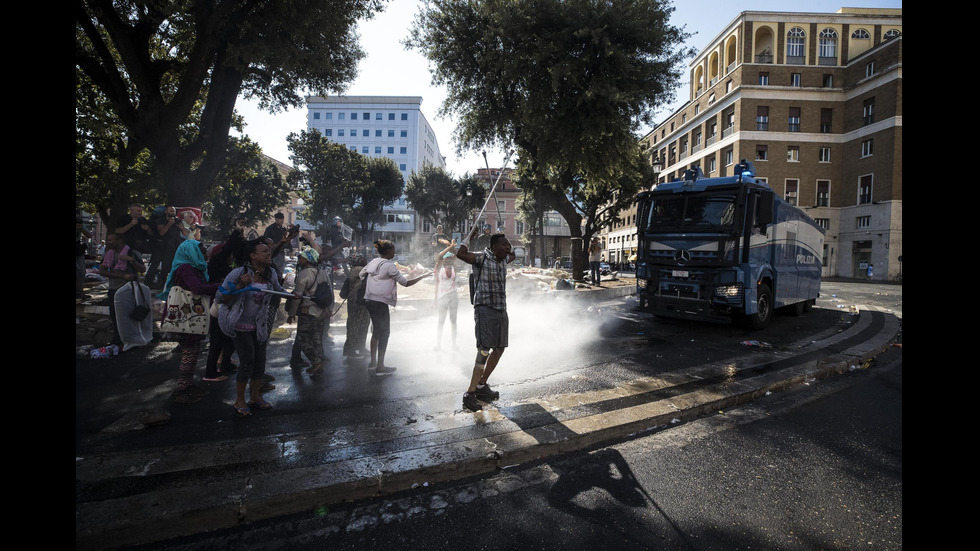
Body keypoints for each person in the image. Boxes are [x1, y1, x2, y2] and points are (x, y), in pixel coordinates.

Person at [217, 239, 294, 417]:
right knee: (248, 361)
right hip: (239, 324)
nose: (269, 254)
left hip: (259, 325)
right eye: (264, 251)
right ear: (252, 255)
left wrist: (292, 296)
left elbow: (278, 289)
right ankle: (240, 400)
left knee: (260, 361)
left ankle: (255, 397)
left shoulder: (271, 273)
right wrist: (240, 285)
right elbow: (221, 297)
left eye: (269, 251)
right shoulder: (238, 273)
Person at [455, 226, 517, 412]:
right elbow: (461, 254)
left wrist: (505, 237)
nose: (507, 248)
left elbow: (513, 254)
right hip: (484, 310)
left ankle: (482, 385)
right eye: (504, 245)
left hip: (501, 310)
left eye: (508, 245)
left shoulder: (504, 259)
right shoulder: (481, 257)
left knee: (499, 349)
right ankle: (470, 394)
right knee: (483, 351)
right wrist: (470, 237)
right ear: (493, 246)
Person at [158, 239, 222, 403]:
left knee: (192, 352)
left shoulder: (193, 268)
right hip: (187, 317)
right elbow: (197, 289)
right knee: (189, 352)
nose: (206, 254)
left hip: (192, 317)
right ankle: (181, 389)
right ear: (192, 253)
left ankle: (187, 385)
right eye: (202, 251)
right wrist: (219, 286)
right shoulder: (186, 268)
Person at [361, 239, 427, 375]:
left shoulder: (373, 262)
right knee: (384, 332)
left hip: (369, 299)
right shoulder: (389, 266)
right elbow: (406, 283)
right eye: (393, 249)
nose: (394, 252)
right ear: (388, 251)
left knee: (376, 331)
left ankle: (373, 363)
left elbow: (361, 274)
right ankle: (380, 366)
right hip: (380, 302)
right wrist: (422, 276)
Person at [202, 227, 245, 381]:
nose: (232, 256)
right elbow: (226, 251)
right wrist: (235, 234)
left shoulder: (231, 268)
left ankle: (225, 364)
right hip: (219, 306)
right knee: (217, 341)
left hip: (226, 306)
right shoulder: (216, 265)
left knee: (228, 339)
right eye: (229, 254)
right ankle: (211, 372)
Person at [286, 246, 331, 375]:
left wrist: (291, 314)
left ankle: (316, 361)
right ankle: (319, 360)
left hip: (308, 311)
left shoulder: (303, 274)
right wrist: (329, 309)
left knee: (302, 339)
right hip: (321, 311)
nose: (299, 259)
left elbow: (297, 296)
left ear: (307, 259)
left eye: (301, 257)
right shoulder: (323, 273)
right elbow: (330, 294)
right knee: (316, 338)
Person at [99, 232, 146, 345]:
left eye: (111, 240)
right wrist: (122, 276)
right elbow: (102, 271)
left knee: (130, 315)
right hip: (114, 289)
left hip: (130, 290)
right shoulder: (108, 254)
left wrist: (131, 260)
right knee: (115, 315)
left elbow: (143, 269)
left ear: (119, 241)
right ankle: (117, 340)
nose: (109, 242)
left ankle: (132, 339)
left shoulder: (132, 253)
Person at [433, 239, 460, 351]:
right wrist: (449, 247)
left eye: (450, 258)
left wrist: (451, 245)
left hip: (453, 295)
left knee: (453, 320)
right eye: (447, 258)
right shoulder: (439, 267)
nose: (448, 260)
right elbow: (439, 255)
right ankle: (438, 344)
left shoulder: (454, 267)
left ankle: (454, 344)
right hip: (442, 296)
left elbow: (457, 254)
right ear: (443, 261)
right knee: (441, 320)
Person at [343, 255, 370, 359]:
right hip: (356, 302)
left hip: (363, 302)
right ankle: (350, 349)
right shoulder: (357, 270)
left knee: (363, 325)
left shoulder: (361, 270)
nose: (365, 259)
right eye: (362, 258)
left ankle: (361, 347)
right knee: (354, 326)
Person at [76, 217, 92, 299]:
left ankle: (79, 292)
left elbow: (89, 235)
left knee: (81, 271)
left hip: (77, 249)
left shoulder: (80, 225)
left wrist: (81, 228)